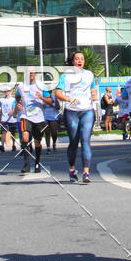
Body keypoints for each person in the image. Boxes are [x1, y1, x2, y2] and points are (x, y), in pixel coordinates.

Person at [55, 50, 97, 183]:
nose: (80, 61)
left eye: (82, 59)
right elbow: (58, 93)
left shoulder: (89, 75)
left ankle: (86, 172)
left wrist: (94, 95)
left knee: (85, 141)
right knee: (73, 142)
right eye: (77, 59)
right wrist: (68, 99)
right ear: (73, 62)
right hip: (72, 111)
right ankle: (72, 169)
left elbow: (93, 90)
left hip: (87, 111)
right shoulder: (65, 76)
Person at [14, 70, 48, 174]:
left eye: (33, 72)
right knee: (24, 137)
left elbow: (49, 100)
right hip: (25, 116)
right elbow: (17, 96)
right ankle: (26, 164)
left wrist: (41, 98)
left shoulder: (41, 86)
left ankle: (37, 163)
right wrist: (19, 103)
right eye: (29, 72)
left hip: (38, 117)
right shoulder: (20, 86)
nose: (31, 74)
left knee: (37, 142)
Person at [0, 86, 18, 152]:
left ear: (11, 92)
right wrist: (0, 118)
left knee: (13, 132)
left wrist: (12, 112)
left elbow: (15, 108)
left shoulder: (13, 100)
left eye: (8, 91)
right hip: (4, 118)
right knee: (4, 132)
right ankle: (2, 145)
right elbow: (1, 109)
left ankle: (14, 145)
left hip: (11, 119)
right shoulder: (2, 100)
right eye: (6, 91)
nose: (7, 92)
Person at [42, 86, 59, 153]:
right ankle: (48, 147)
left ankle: (54, 143)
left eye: (49, 92)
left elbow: (58, 107)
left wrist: (52, 105)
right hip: (45, 117)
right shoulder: (43, 99)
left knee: (54, 132)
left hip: (53, 117)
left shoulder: (54, 98)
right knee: (47, 132)